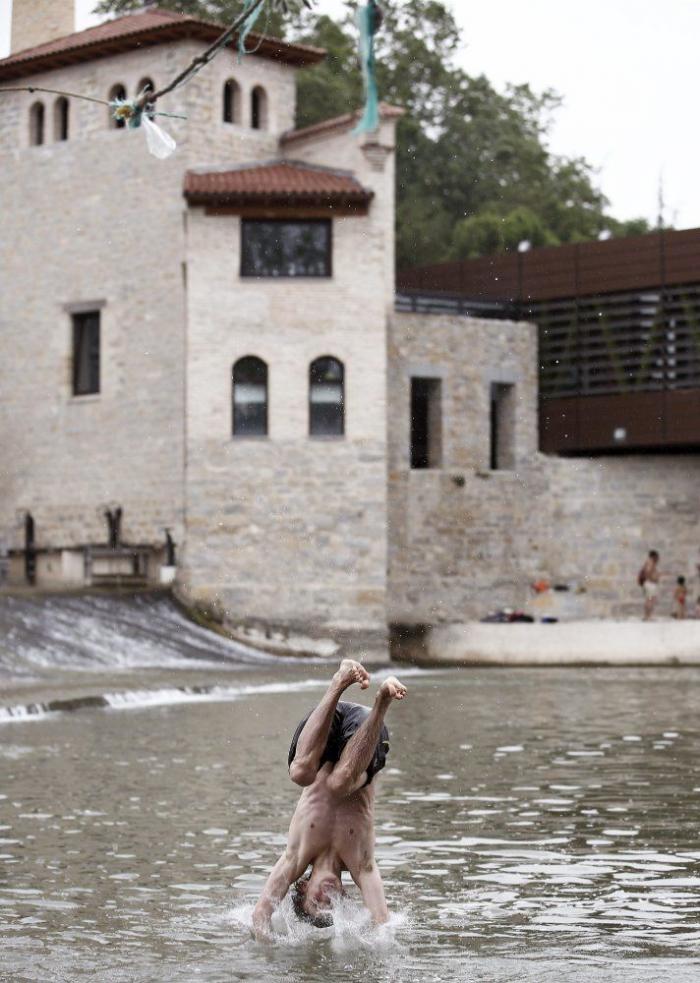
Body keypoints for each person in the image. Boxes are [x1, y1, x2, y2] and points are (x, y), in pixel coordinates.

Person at [252, 659, 407, 939]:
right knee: (338, 784)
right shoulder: (361, 864)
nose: (326, 900)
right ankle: (382, 700)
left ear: (302, 888)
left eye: (315, 903)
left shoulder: (296, 857)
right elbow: (383, 923)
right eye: (330, 907)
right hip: (365, 731)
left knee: (299, 773)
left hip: (322, 730)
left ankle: (339, 681)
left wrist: (265, 953)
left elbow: (260, 915)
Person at [638, 550, 660, 621]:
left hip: (647, 583)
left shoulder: (647, 563)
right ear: (654, 556)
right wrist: (653, 579)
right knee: (650, 600)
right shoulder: (651, 563)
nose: (658, 558)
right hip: (650, 584)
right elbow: (648, 573)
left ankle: (646, 616)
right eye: (657, 556)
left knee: (648, 600)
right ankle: (648, 616)